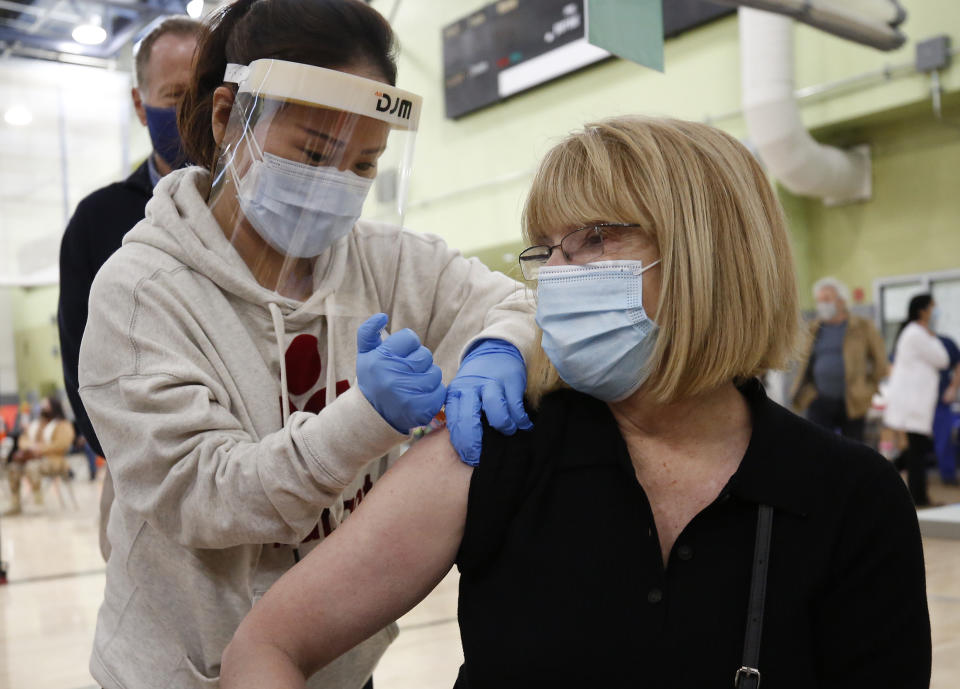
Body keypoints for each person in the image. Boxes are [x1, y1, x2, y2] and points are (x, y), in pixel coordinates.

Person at [220, 117, 931, 689]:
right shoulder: (496, 446)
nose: (557, 276)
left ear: (708, 254)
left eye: (594, 238)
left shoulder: (848, 497)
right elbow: (267, 646)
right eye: (547, 249)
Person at [77, 1, 535, 688]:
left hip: (336, 663)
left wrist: (499, 348)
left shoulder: (384, 261)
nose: (336, 185)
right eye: (315, 153)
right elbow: (205, 492)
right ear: (230, 117)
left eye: (364, 165)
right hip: (176, 671)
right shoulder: (142, 292)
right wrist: (362, 420)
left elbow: (513, 303)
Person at [58, 15, 202, 558]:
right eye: (175, 94)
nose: (193, 109)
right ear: (141, 105)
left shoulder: (254, 214)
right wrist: (128, 458)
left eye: (206, 91)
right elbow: (79, 361)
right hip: (136, 475)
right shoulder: (99, 220)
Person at [791, 277, 889, 442]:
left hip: (854, 400)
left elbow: (880, 363)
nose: (822, 305)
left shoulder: (862, 327)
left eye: (827, 299)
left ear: (842, 301)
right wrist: (808, 393)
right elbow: (804, 365)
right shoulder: (814, 328)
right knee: (818, 448)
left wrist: (868, 389)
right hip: (819, 399)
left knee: (854, 449)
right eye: (819, 301)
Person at [885, 294, 951, 506]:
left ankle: (907, 488)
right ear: (923, 311)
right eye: (933, 307)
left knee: (914, 452)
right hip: (912, 404)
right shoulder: (916, 333)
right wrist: (932, 336)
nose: (936, 312)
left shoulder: (917, 333)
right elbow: (943, 359)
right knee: (917, 453)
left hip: (915, 404)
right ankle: (918, 497)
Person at [4, 397, 75, 516]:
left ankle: (38, 500)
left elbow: (62, 444)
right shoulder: (36, 424)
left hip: (54, 460)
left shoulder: (63, 424)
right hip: (32, 458)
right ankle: (15, 505)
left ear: (53, 407)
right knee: (13, 467)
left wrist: (40, 449)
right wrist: (30, 447)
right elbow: (23, 439)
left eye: (45, 406)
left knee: (32, 466)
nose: (42, 408)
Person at [932, 334, 960, 484]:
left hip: (941, 400)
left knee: (944, 439)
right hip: (921, 402)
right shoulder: (911, 339)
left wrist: (953, 388)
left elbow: (958, 364)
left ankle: (948, 475)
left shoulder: (945, 342)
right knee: (915, 443)